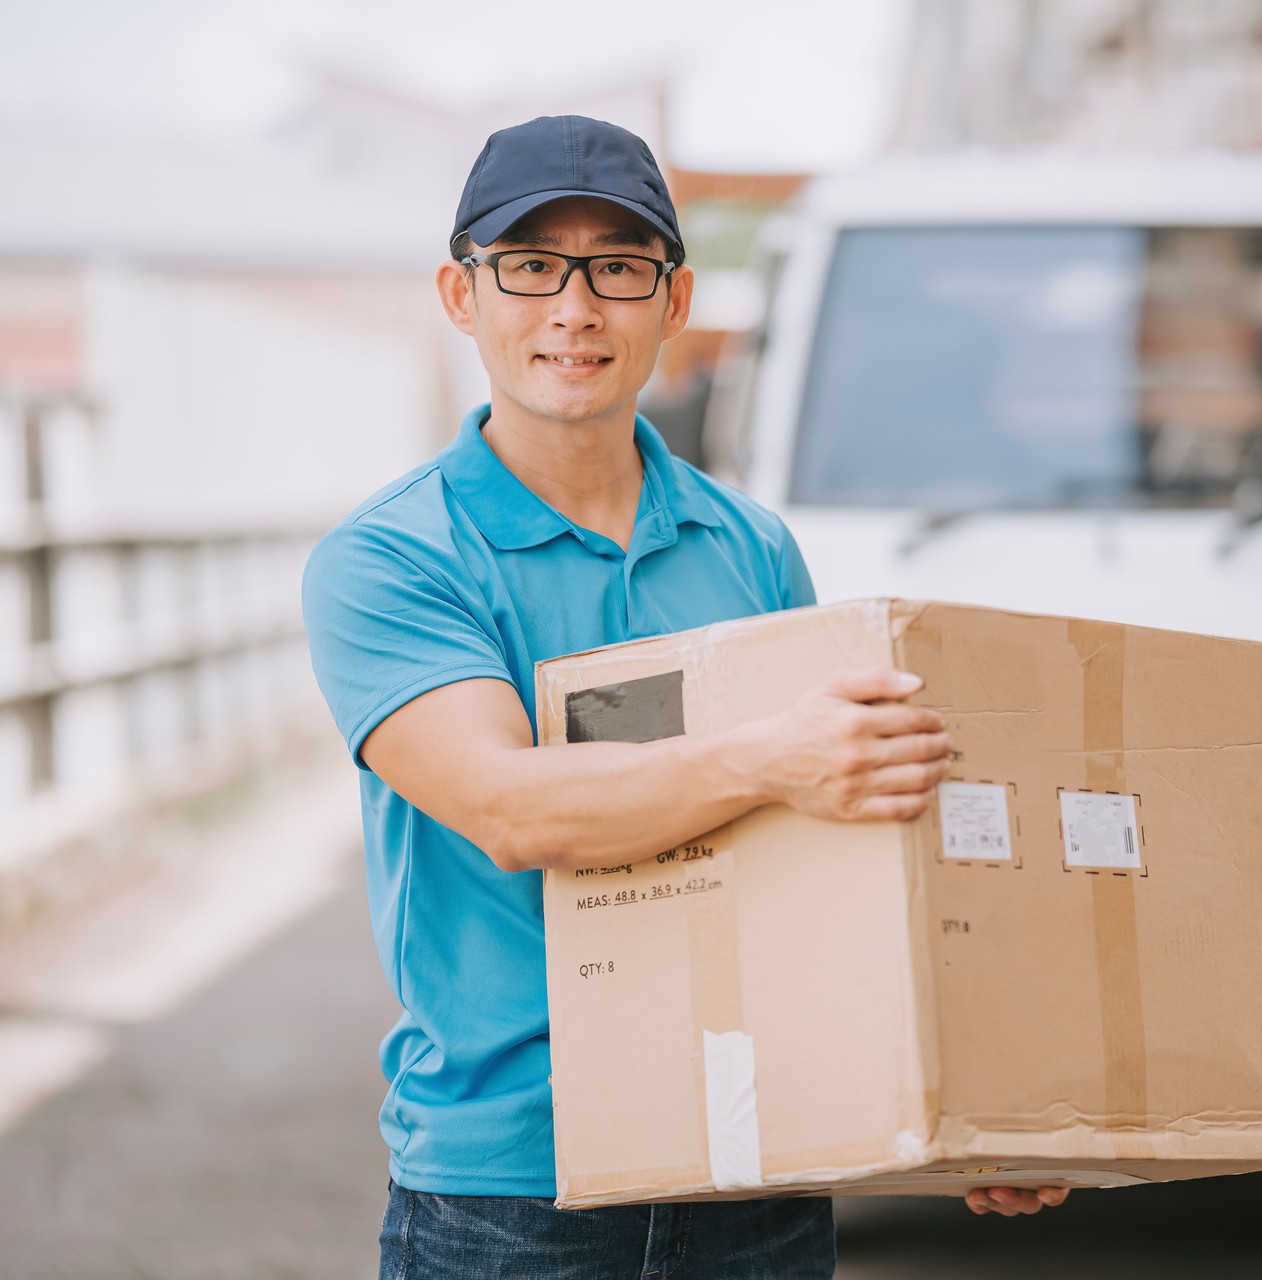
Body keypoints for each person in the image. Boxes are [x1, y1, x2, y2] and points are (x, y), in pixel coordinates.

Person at [300, 115, 1065, 1280]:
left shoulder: (748, 543)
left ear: (674, 298)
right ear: (464, 296)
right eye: (530, 266)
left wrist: (975, 1101)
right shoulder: (395, 559)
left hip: (755, 1160)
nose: (574, 307)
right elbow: (514, 811)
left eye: (618, 265)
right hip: (518, 1190)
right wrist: (771, 758)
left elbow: (833, 850)